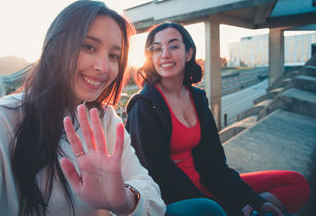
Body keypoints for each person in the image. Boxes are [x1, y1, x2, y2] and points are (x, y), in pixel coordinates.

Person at [0, 0, 167, 216]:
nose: (103, 67)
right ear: (56, 47)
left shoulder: (105, 118)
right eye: (89, 47)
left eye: (114, 55)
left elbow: (153, 197)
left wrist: (124, 200)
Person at [125, 22, 310, 216]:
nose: (164, 54)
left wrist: (254, 200)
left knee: (295, 183)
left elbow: (213, 162)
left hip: (208, 182)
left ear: (189, 53)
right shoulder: (144, 105)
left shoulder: (197, 97)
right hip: (178, 199)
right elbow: (160, 177)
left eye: (173, 46)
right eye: (156, 49)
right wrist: (229, 210)